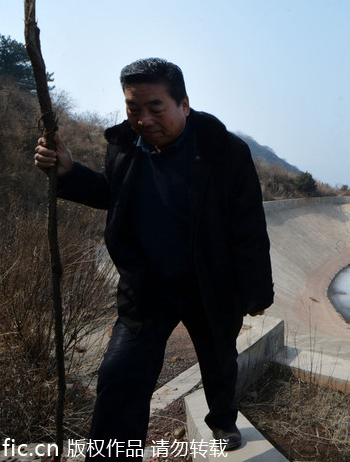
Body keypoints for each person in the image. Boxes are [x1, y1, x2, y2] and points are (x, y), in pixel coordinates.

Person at [34, 58, 274, 458]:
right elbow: (112, 195)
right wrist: (68, 171)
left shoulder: (225, 153)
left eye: (155, 108)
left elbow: (248, 225)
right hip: (147, 287)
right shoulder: (124, 148)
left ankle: (223, 419)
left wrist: (255, 292)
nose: (143, 119)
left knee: (219, 360)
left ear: (184, 104)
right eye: (133, 109)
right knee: (119, 375)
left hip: (210, 283)